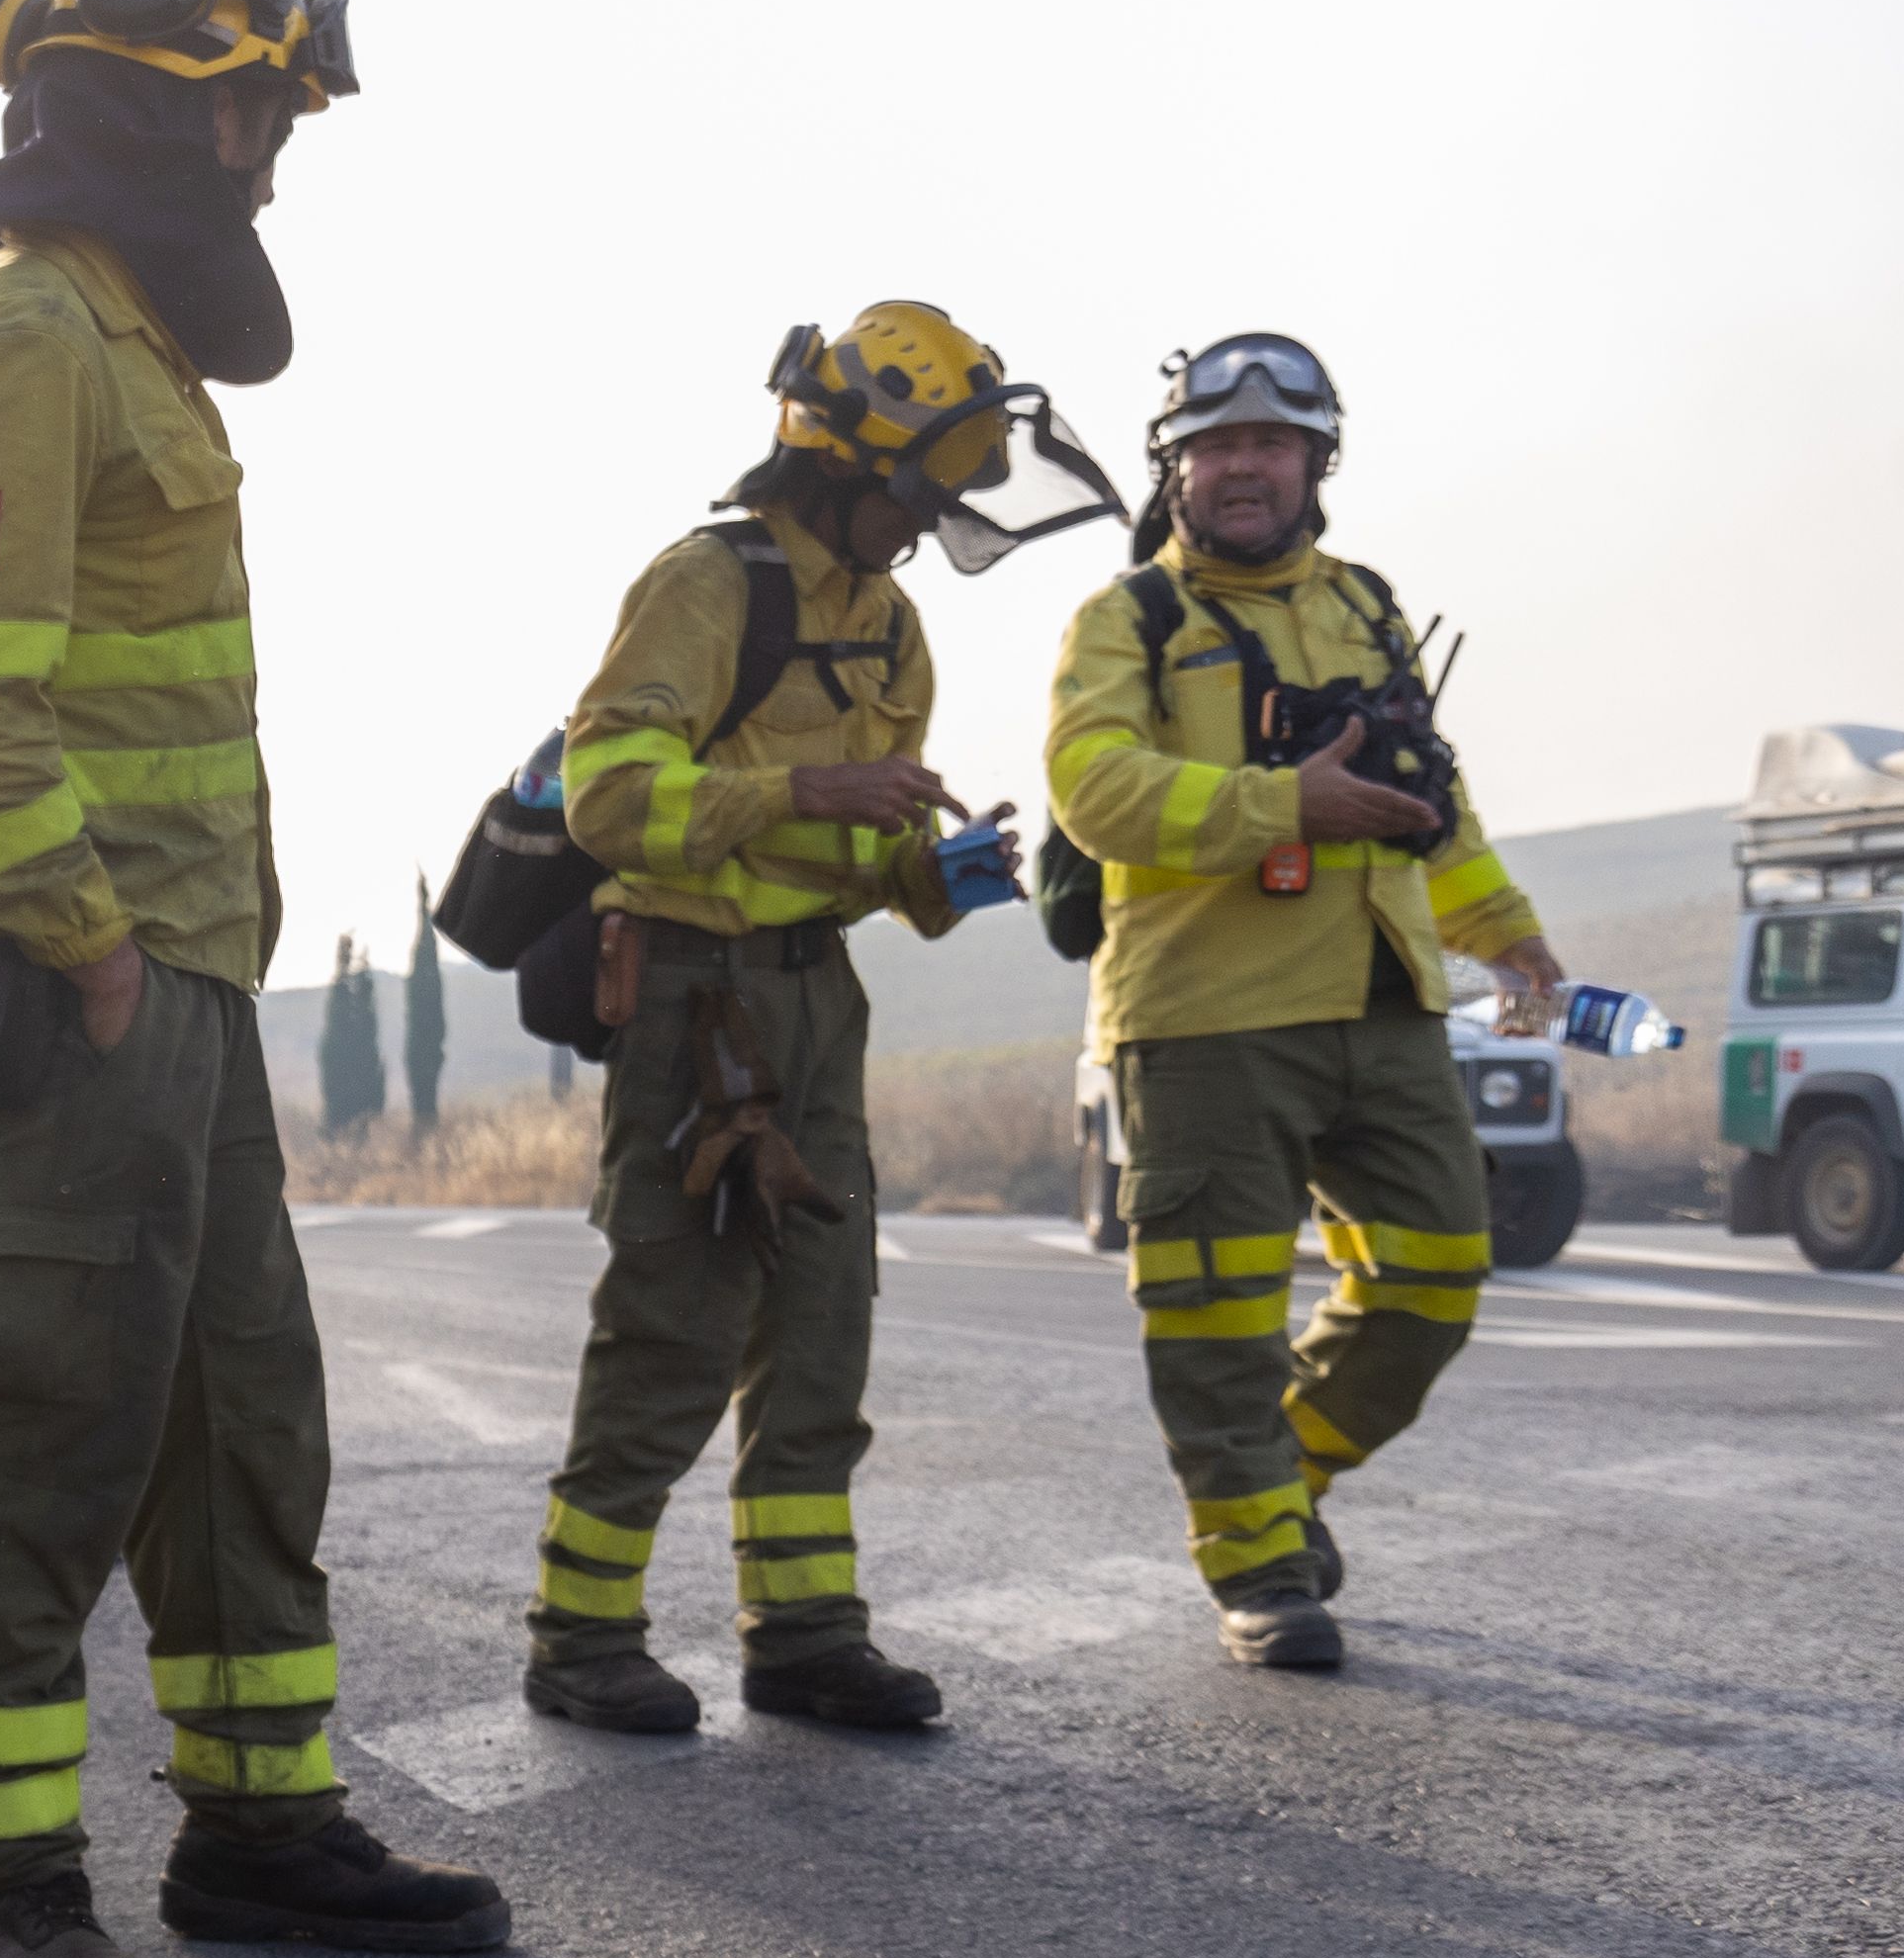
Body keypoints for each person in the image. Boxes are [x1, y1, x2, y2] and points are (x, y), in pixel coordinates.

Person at [0, 0, 507, 1958]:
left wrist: (175, 975)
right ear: (173, 105)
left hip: (185, 984)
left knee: (242, 1420)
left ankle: (259, 1825)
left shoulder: (124, 337)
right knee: (36, 1421)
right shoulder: (30, 334)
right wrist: (91, 949)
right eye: (257, 118)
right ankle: (5, 1896)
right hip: (82, 994)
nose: (269, 165)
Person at [521, 306, 1119, 1736]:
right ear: (833, 459)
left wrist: (933, 870)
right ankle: (581, 1632)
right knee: (673, 1322)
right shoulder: (708, 583)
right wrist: (800, 794)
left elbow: (860, 853)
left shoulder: (891, 624)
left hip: (812, 1000)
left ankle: (803, 1634)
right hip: (687, 997)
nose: (926, 521)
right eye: (913, 488)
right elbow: (606, 796)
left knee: (820, 1323)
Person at [1045, 333, 1559, 1668]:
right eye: (1217, 445)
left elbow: (1427, 795)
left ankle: (1280, 1479)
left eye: (1273, 443)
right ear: (1178, 467)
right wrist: (1283, 803)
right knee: (1217, 1316)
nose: (1245, 467)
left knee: (1440, 1272)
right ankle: (1259, 1564)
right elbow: (1093, 791)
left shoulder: (1369, 606)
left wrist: (1506, 934)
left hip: (1380, 996)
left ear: (1318, 460)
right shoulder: (1128, 624)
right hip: (1204, 1013)